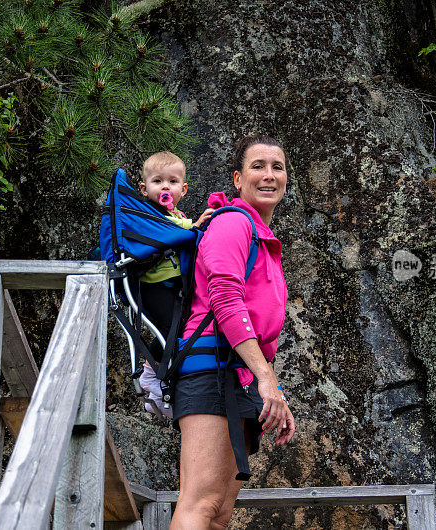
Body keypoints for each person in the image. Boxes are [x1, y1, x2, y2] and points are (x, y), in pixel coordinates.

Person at [170, 136, 295, 529]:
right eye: (258, 166)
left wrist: (268, 385)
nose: (269, 175)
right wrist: (267, 380)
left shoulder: (262, 236)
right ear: (238, 179)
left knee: (220, 513)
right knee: (202, 503)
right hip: (211, 368)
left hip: (235, 375)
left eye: (278, 166)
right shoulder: (232, 223)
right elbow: (225, 301)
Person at [137, 151, 213, 417]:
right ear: (144, 189)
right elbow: (172, 230)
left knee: (180, 330)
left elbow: (180, 227)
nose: (165, 186)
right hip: (153, 286)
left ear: (183, 188)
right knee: (169, 328)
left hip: (173, 287)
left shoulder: (178, 215)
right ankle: (149, 372)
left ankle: (158, 391)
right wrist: (195, 226)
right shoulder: (146, 213)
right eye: (157, 181)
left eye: (172, 181)